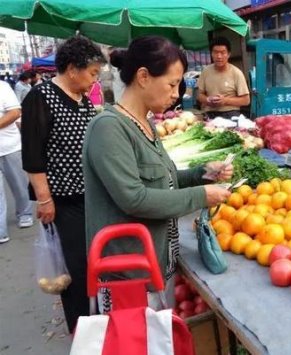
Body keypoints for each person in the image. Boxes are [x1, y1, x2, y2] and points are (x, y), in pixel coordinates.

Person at [82, 36, 232, 311]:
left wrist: (203, 174)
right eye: (172, 84)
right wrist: (200, 195)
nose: (177, 94)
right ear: (143, 76)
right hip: (128, 274)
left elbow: (167, 179)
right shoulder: (109, 128)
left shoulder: (145, 124)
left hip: (155, 265)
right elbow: (134, 198)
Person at [20, 35, 105, 332]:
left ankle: (95, 322)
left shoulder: (83, 100)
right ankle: (83, 331)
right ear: (72, 68)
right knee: (76, 270)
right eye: (92, 73)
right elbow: (33, 156)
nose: (95, 81)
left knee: (91, 263)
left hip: (87, 197)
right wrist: (45, 200)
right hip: (60, 201)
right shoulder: (40, 97)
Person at [0, 80, 34, 244]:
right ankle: (1, 230)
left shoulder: (3, 88)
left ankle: (25, 213)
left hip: (9, 147)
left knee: (19, 185)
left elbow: (14, 112)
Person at [197, 37, 250, 119]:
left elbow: (246, 100)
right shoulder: (206, 71)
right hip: (209, 113)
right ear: (211, 54)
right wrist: (208, 100)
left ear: (228, 54)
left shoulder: (236, 73)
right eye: (215, 52)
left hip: (231, 114)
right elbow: (199, 95)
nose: (219, 56)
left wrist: (225, 101)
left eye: (222, 52)